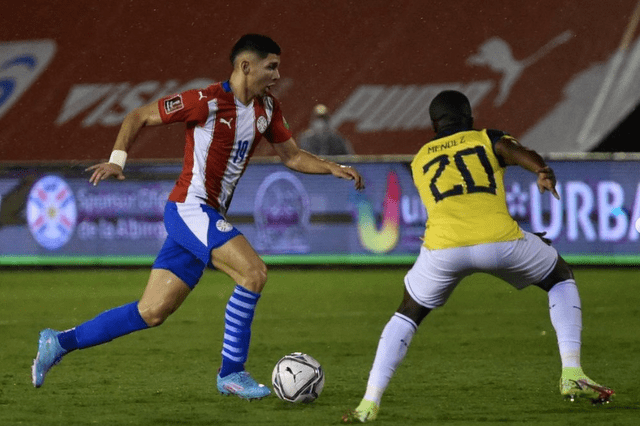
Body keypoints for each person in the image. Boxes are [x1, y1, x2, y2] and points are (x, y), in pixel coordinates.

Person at [31, 34, 364, 400]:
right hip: (189, 208)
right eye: (271, 66)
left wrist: (333, 167)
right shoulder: (206, 101)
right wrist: (117, 159)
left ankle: (59, 342)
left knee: (152, 311)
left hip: (204, 216)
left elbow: (292, 156)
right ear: (245, 66)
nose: (278, 74)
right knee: (253, 274)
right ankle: (231, 373)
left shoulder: (267, 109)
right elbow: (138, 115)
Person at [343, 90, 614, 423]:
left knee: (407, 315)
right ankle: (572, 370)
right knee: (560, 277)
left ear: (433, 124)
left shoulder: (420, 159)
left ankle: (368, 403)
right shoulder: (484, 138)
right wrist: (541, 169)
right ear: (469, 117)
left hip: (443, 249)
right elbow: (515, 152)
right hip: (500, 241)